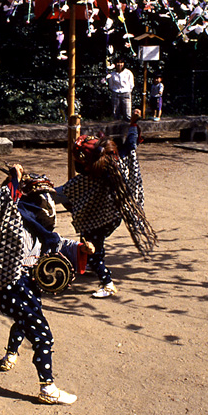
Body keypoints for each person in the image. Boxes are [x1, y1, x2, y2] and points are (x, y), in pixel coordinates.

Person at [0, 165, 95, 405]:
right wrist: (14, 181)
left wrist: (81, 249)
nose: (49, 205)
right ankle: (47, 388)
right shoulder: (8, 221)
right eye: (44, 199)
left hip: (27, 285)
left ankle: (10, 353)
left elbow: (58, 242)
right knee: (42, 335)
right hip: (9, 285)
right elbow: (0, 205)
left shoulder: (38, 227)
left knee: (26, 319)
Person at [54, 109, 157, 298]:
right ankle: (93, 262)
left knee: (92, 246)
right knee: (95, 243)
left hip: (98, 219)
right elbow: (132, 141)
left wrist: (37, 188)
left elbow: (59, 194)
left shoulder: (88, 180)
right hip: (115, 215)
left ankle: (107, 282)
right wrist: (133, 123)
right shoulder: (120, 158)